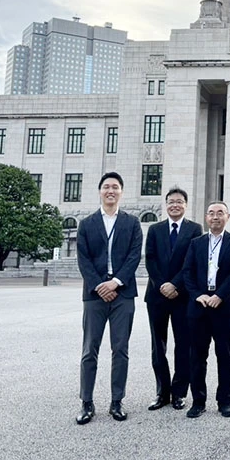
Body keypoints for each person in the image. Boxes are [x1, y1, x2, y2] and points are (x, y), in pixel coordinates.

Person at [75, 172, 143, 425]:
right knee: (89, 350)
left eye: (115, 187)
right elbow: (84, 259)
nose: (110, 191)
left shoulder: (132, 223)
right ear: (100, 191)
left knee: (120, 349)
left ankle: (117, 401)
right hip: (94, 296)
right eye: (106, 187)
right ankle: (86, 402)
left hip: (122, 294)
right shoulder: (87, 223)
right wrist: (99, 285)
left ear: (121, 192)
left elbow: (134, 256)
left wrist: (116, 282)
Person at [144, 187, 202, 411]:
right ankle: (162, 392)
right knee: (158, 346)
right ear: (166, 204)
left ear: (186, 205)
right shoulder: (155, 229)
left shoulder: (194, 229)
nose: (175, 205)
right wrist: (162, 285)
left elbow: (192, 260)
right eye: (171, 201)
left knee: (183, 345)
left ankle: (179, 392)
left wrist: (175, 284)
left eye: (179, 201)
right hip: (157, 295)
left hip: (182, 296)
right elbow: (150, 260)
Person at [182, 201, 230, 419]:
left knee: (225, 356)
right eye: (212, 213)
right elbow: (187, 272)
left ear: (227, 217)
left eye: (220, 213)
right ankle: (198, 401)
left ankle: (225, 401)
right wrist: (199, 295)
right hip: (199, 307)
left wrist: (219, 295)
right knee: (197, 356)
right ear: (206, 217)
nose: (216, 217)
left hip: (223, 307)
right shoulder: (196, 243)